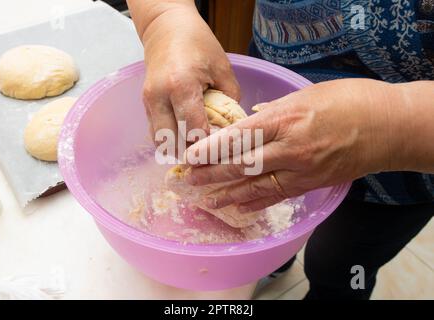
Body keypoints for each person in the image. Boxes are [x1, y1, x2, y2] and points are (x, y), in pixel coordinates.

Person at [127, 0, 434, 299]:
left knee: (339, 264)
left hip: (398, 176)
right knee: (268, 225)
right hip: (272, 81)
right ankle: (275, 263)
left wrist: (392, 125)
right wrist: (164, 18)